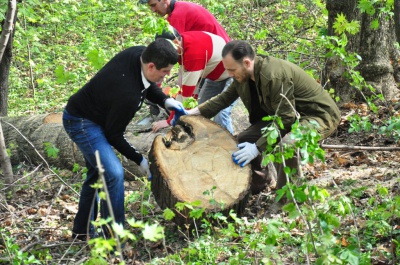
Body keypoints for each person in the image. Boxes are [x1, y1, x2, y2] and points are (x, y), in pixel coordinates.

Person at [62, 38, 186, 240]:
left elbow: (146, 84)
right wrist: (140, 160)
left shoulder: (138, 54)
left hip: (98, 115)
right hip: (81, 122)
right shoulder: (127, 95)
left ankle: (82, 231)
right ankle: (113, 236)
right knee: (113, 173)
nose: (168, 75)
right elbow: (114, 135)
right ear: (152, 65)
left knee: (96, 175)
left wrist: (166, 101)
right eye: (165, 71)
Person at [181, 40, 341, 195]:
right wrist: (192, 113)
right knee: (243, 139)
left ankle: (289, 198)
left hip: (317, 115)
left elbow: (287, 119)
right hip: (284, 115)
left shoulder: (273, 76)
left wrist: (257, 147)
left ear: (246, 63)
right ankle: (261, 184)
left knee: (287, 146)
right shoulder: (241, 76)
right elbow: (224, 99)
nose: (229, 74)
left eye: (232, 69)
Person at [152, 27, 235, 134]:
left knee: (221, 114)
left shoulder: (192, 56)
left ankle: (231, 148)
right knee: (200, 111)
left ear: (176, 42)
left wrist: (169, 121)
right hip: (214, 77)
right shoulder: (184, 42)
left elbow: (186, 97)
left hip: (233, 73)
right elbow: (187, 90)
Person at [139, 0, 230, 42]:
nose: (153, 10)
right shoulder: (179, 8)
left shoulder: (178, 15)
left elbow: (171, 48)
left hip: (221, 57)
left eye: (154, 5)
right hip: (220, 53)